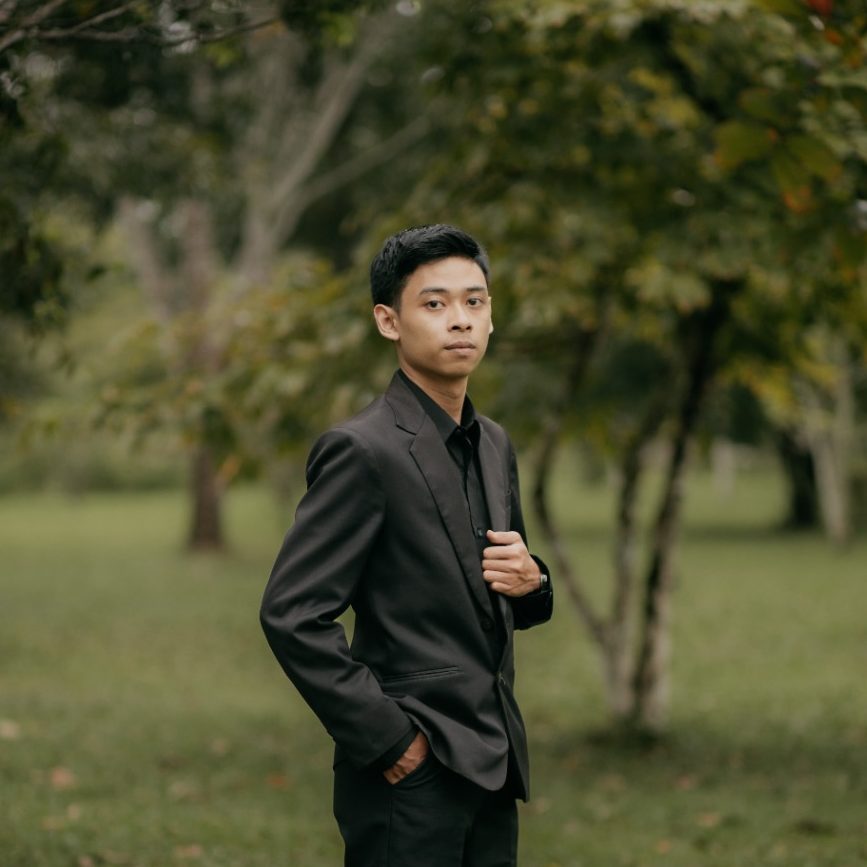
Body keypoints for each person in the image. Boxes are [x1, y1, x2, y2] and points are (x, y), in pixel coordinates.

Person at [260, 224, 553, 867]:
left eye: (475, 302)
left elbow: (499, 592)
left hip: (495, 764)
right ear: (388, 321)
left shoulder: (494, 443)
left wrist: (534, 582)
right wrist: (391, 742)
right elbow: (292, 613)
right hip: (410, 776)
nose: (460, 320)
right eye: (435, 303)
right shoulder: (361, 450)